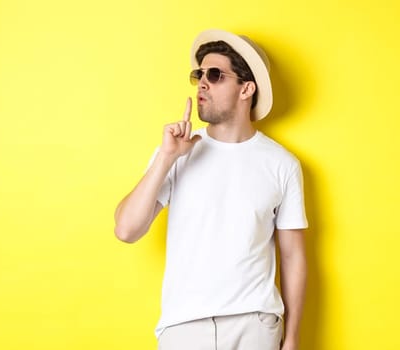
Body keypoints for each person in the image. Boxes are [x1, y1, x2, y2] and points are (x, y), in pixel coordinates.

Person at [113, 29, 308, 350]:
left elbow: (293, 255)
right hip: (184, 325)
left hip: (255, 323)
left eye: (215, 75)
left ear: (247, 89)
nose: (202, 82)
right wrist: (166, 157)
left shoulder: (282, 164)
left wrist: (293, 338)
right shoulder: (175, 152)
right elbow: (126, 230)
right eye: (198, 74)